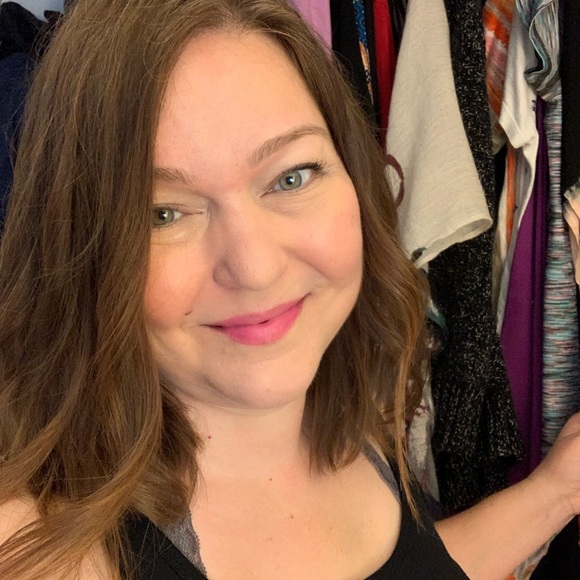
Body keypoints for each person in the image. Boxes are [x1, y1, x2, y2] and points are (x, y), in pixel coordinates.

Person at [0, 1, 579, 578]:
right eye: (163, 214)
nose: (255, 268)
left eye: (290, 177)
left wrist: (556, 490)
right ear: (80, 250)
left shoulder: (337, 404)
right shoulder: (41, 552)